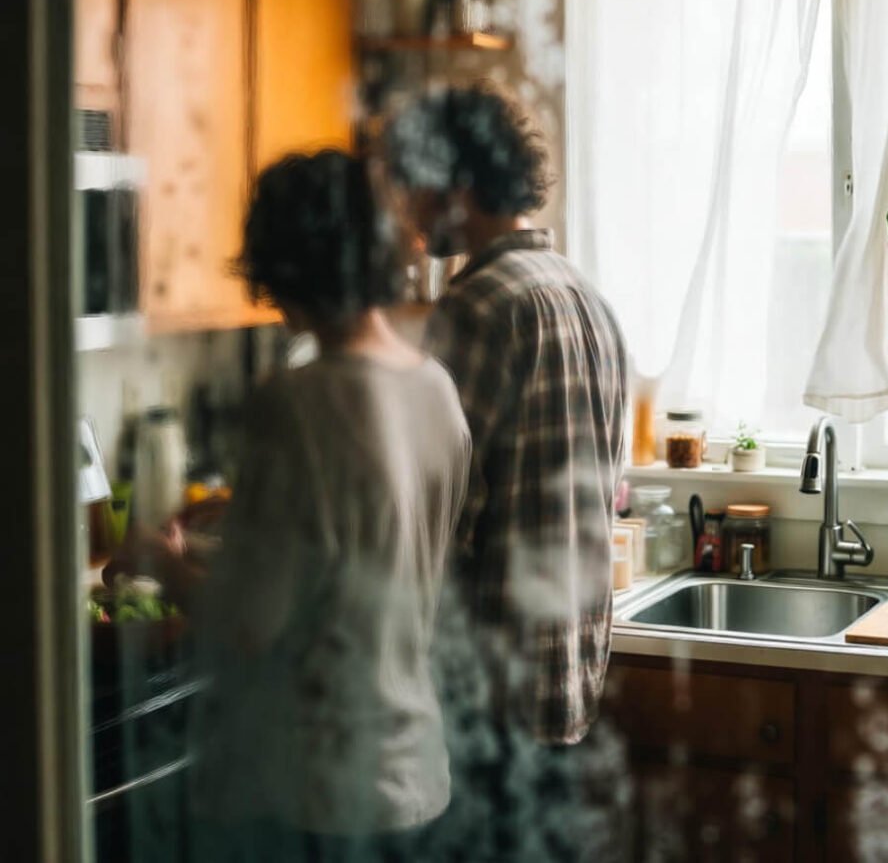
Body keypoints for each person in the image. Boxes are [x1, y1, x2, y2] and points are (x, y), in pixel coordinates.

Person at [110, 150, 471, 862]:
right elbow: (374, 540)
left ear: (286, 266)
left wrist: (160, 558)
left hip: (320, 789)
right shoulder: (436, 390)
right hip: (416, 773)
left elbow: (246, 623)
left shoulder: (296, 402)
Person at [385, 84, 629, 858]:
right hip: (568, 688)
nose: (410, 210)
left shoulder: (477, 307)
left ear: (459, 184)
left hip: (484, 700)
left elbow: (436, 522)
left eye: (417, 185)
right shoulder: (587, 298)